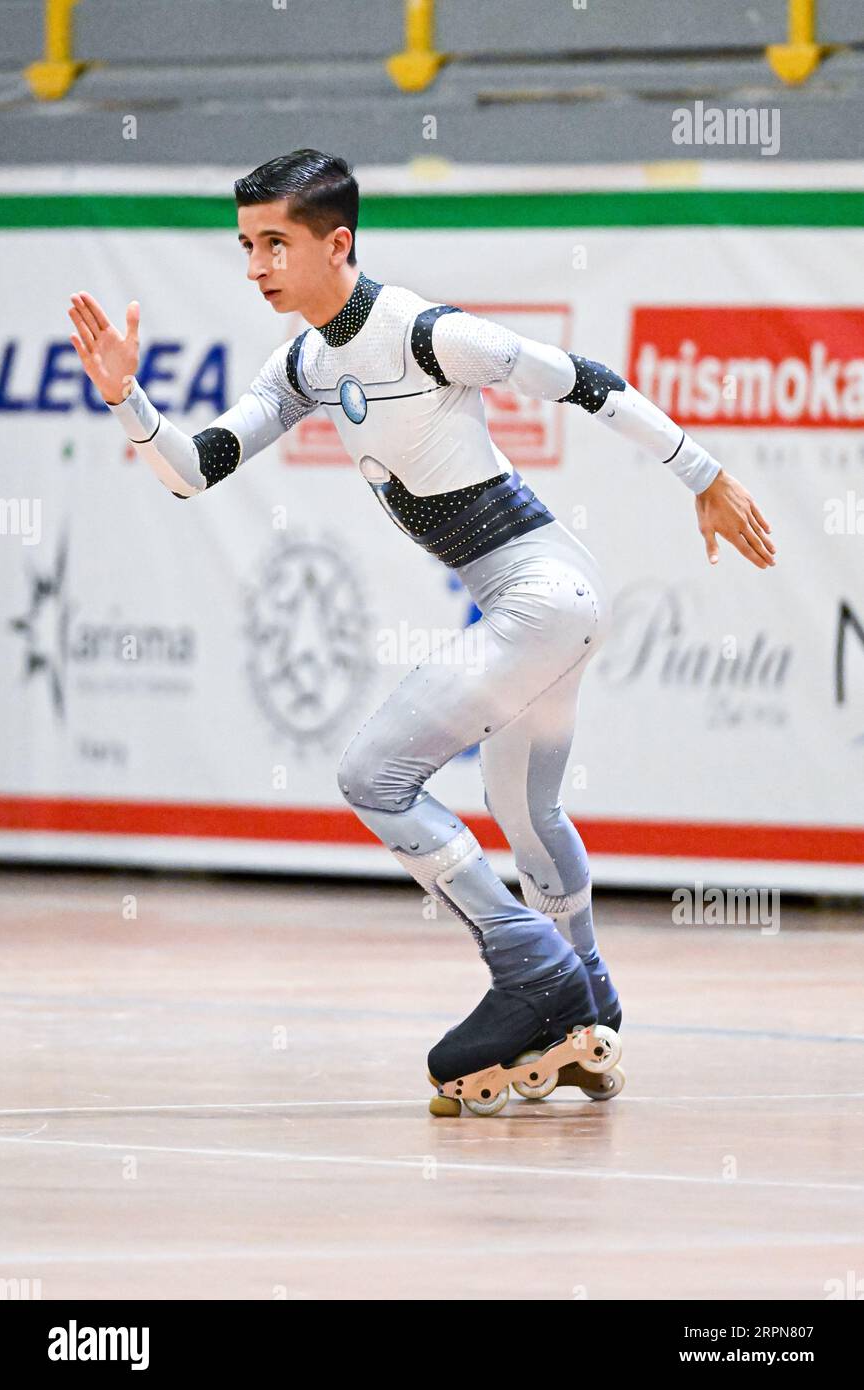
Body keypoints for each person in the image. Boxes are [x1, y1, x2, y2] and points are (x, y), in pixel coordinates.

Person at [68, 149, 775, 1117]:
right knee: (524, 813)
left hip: (544, 593)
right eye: (245, 245)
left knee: (373, 774)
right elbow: (195, 469)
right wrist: (126, 397)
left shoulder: (426, 333)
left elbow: (585, 379)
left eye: (275, 242)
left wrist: (703, 474)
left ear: (337, 241)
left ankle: (530, 970)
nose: (256, 265)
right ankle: (589, 996)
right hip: (540, 599)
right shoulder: (304, 364)